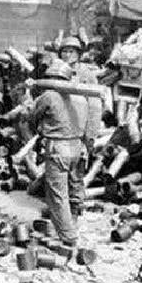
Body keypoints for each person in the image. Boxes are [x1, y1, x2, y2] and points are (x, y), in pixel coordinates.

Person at [31, 59, 95, 246]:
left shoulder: (49, 95)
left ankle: (69, 237)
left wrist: (40, 129)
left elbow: (33, 117)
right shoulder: (81, 97)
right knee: (75, 186)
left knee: (57, 195)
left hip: (58, 148)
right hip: (77, 147)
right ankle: (72, 221)